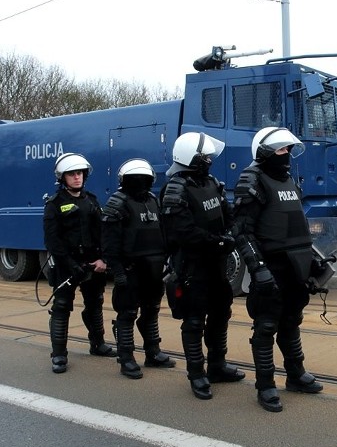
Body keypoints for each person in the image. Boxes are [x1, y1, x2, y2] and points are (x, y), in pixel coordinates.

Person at [233, 127, 324, 412]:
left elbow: (298, 226)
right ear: (265, 152)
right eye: (282, 150)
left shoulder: (289, 181)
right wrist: (258, 269)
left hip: (295, 265)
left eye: (289, 150)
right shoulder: (252, 179)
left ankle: (295, 375)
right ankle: (265, 384)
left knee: (291, 322)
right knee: (266, 326)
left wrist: (313, 260)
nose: (287, 155)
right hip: (271, 265)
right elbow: (242, 231)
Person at [160, 132, 245, 400]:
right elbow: (182, 233)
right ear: (191, 158)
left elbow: (227, 214)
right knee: (194, 321)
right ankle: (196, 374)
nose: (209, 160)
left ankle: (217, 366)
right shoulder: (175, 189)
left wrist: (230, 234)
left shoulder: (211, 182)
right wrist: (219, 242)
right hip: (192, 267)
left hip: (217, 265)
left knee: (221, 315)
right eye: (204, 156)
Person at [101, 158, 176, 379]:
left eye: (144, 179)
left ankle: (153, 352)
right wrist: (118, 272)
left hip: (154, 269)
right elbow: (109, 244)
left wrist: (167, 261)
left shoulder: (153, 200)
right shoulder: (117, 203)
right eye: (136, 180)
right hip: (130, 270)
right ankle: (126, 358)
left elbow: (163, 232)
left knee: (151, 311)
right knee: (127, 314)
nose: (140, 183)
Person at [43, 153, 116, 374]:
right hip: (67, 265)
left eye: (80, 173)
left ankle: (97, 344)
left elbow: (103, 233)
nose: (77, 178)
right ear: (62, 178)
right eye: (72, 174)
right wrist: (70, 264)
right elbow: (52, 241)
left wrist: (104, 258)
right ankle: (58, 355)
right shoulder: (54, 205)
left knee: (95, 303)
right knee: (62, 308)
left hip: (93, 263)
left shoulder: (92, 200)